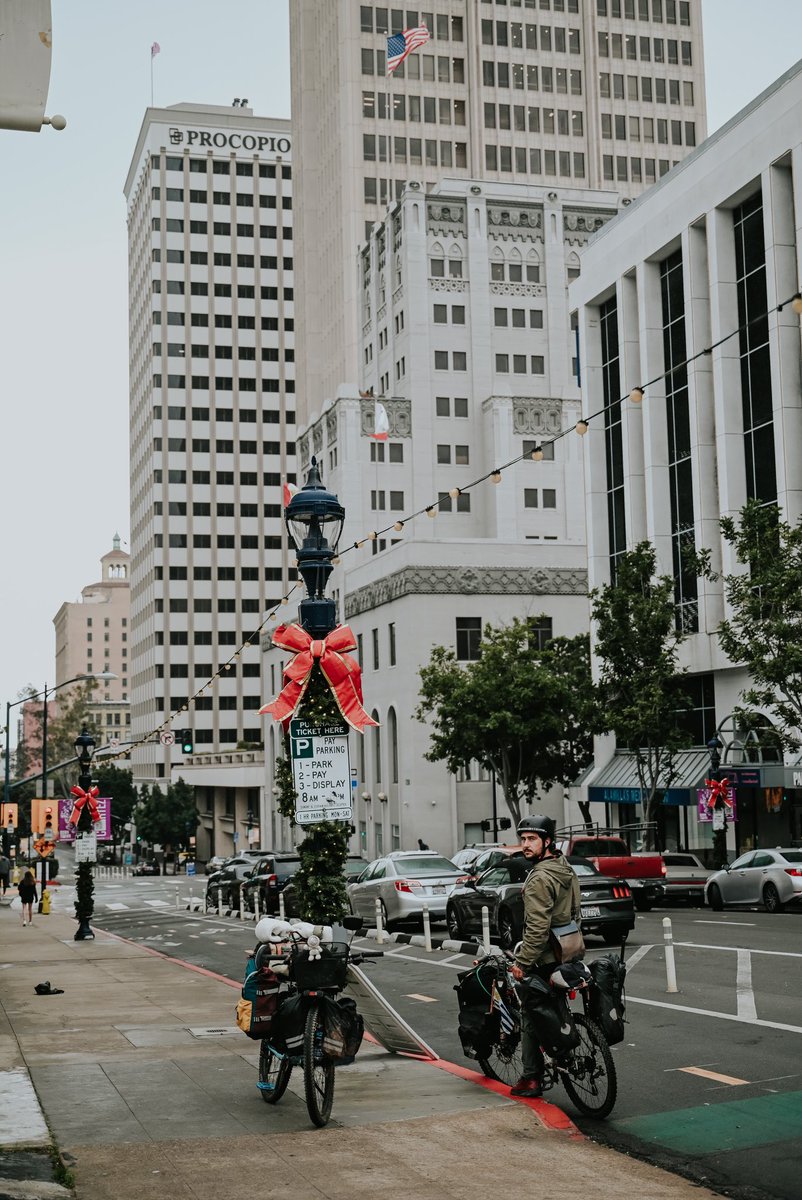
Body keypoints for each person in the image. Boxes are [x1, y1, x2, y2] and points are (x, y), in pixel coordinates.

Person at [508, 814, 580, 1098]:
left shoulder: (539, 878)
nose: (525, 845)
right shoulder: (563, 867)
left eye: (532, 839)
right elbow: (573, 910)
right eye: (523, 839)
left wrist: (522, 963)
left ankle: (530, 1078)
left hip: (545, 956)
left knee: (530, 1012)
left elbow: (537, 928)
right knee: (555, 1006)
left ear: (547, 841)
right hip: (569, 948)